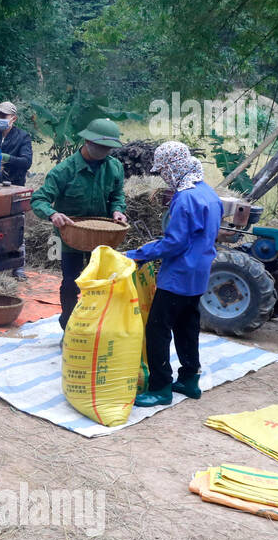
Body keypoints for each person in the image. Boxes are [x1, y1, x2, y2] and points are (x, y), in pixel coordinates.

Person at [126, 141, 224, 407]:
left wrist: (139, 253)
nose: (163, 176)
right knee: (187, 326)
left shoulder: (185, 198)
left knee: (157, 329)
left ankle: (160, 387)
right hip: (200, 273)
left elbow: (175, 243)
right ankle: (189, 379)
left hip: (178, 276)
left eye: (163, 170)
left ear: (173, 167)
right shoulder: (208, 194)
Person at [30, 118, 128, 329]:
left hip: (102, 236)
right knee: (70, 283)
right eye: (102, 147)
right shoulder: (64, 170)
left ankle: (96, 326)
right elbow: (39, 200)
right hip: (71, 238)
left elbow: (118, 194)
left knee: (100, 284)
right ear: (87, 142)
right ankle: (69, 327)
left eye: (109, 148)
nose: (106, 152)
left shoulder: (114, 167)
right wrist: (52, 214)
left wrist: (118, 210)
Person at [0, 100, 34, 277]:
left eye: (3, 116)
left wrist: (6, 158)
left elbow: (26, 162)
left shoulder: (22, 137)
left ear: (13, 118)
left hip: (13, 187)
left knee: (16, 225)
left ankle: (19, 267)